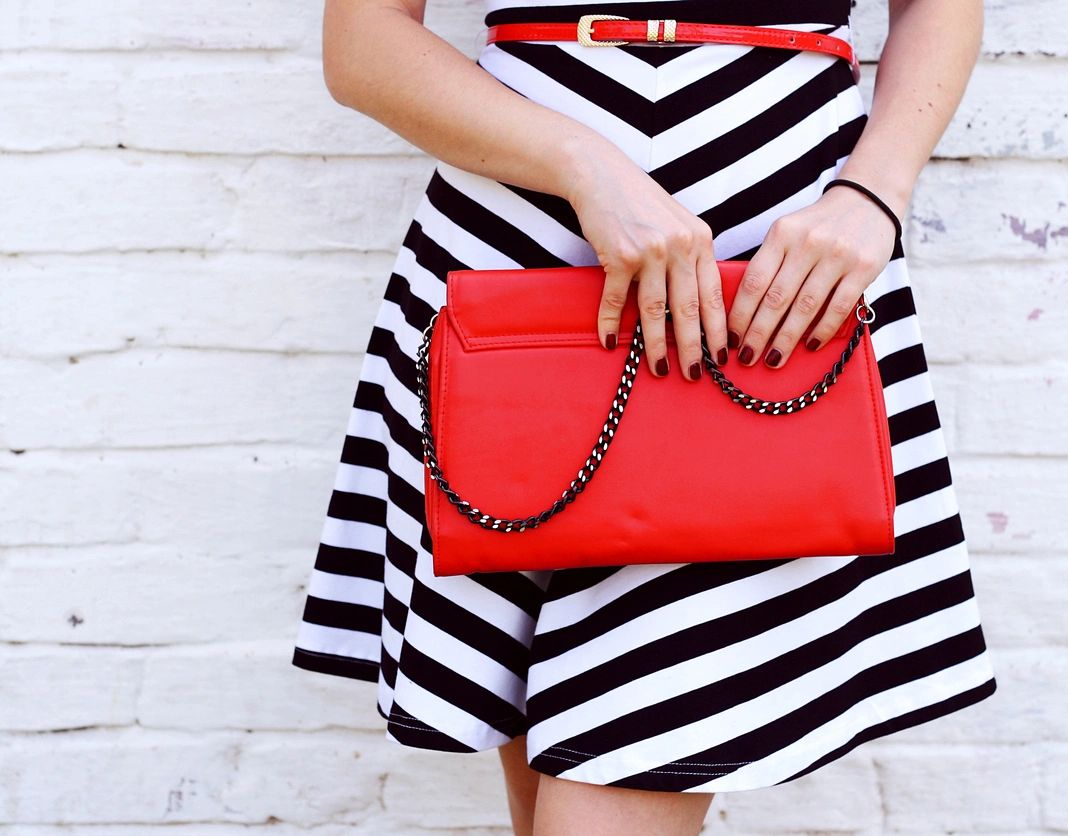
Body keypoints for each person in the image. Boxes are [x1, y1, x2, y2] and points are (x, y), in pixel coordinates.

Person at [292, 1, 994, 834]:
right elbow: (363, 47)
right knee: (549, 778)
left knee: (615, 779)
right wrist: (589, 166)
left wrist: (875, 193)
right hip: (518, 235)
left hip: (775, 269)